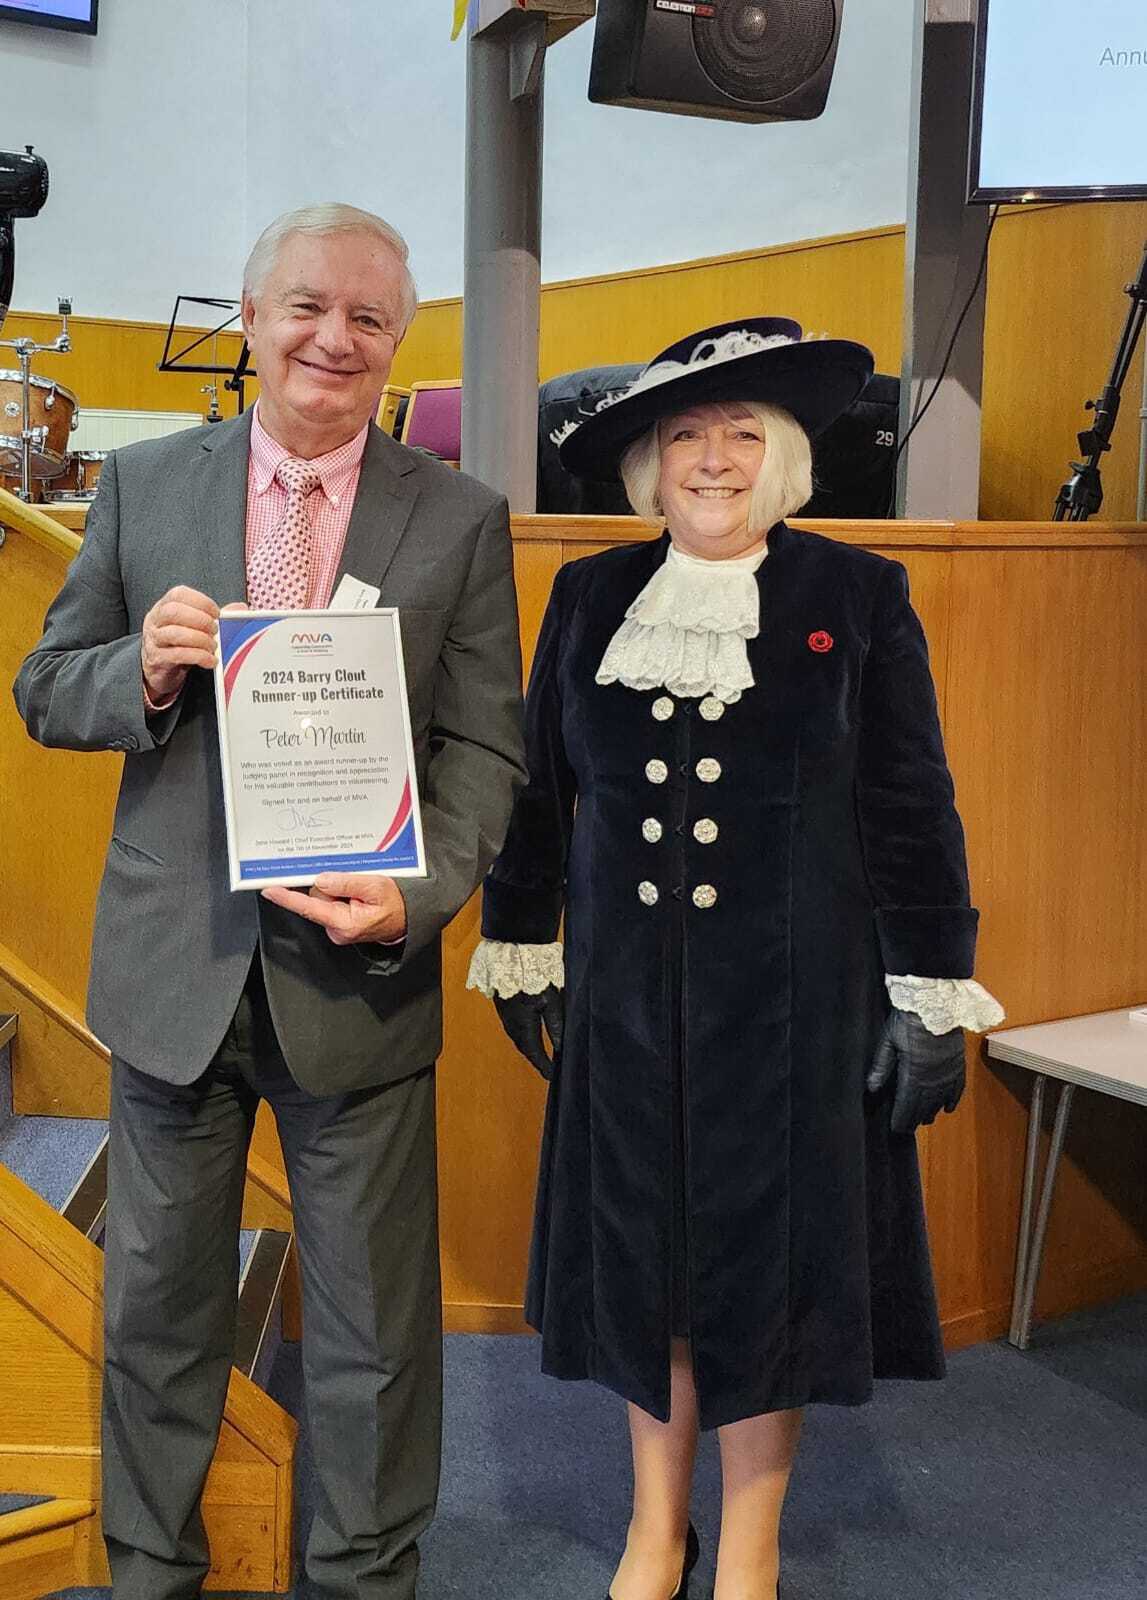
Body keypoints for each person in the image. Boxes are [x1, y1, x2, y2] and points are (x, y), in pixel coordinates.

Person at [14, 203, 526, 1600]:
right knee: (156, 1316)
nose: (333, 339)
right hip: (173, 974)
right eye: (306, 306)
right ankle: (149, 1575)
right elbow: (47, 690)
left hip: (358, 985)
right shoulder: (143, 484)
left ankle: (363, 1580)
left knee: (371, 1334)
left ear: (396, 341)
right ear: (249, 319)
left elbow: (487, 746)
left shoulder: (460, 518)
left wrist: (416, 897)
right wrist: (146, 671)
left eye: (366, 318)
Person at [467, 319, 1003, 1600]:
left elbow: (909, 802)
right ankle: (658, 1528)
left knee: (768, 1272)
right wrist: (522, 934)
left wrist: (929, 987)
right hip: (629, 1002)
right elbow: (539, 787)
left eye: (741, 433)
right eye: (686, 435)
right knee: (650, 1269)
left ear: (784, 457)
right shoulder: (592, 593)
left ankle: (749, 1542)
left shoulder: (855, 594)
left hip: (797, 1009)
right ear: (651, 462)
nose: (713, 458)